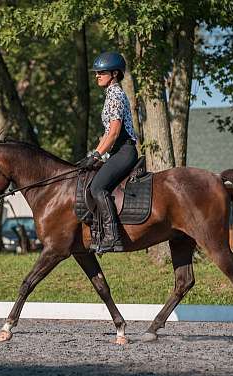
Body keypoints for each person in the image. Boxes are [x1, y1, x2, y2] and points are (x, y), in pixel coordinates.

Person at [79, 51, 138, 253]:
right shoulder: (111, 94)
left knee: (97, 188)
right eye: (96, 72)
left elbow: (113, 134)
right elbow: (106, 135)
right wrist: (94, 154)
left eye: (101, 72)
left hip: (124, 151)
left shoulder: (115, 95)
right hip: (116, 152)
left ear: (114, 73)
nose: (97, 75)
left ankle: (112, 236)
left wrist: (96, 155)